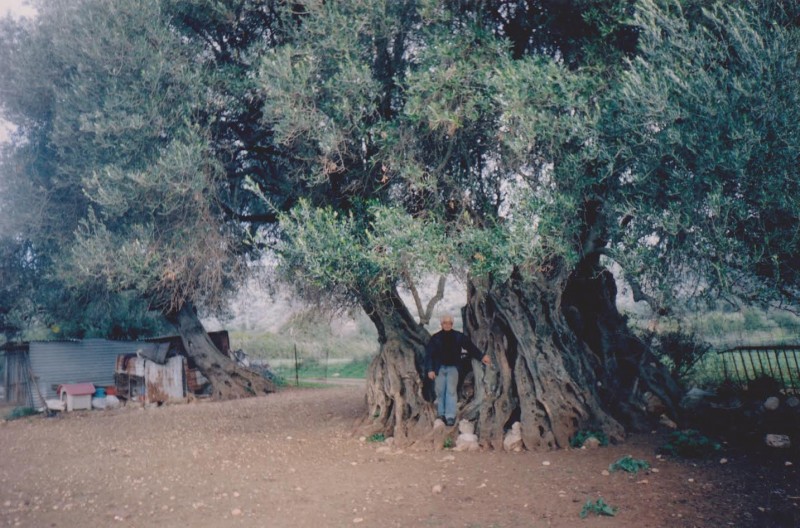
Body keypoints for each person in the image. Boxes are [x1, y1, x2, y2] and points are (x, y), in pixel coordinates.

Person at [424, 314, 491, 426]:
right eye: (445, 323)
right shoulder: (435, 338)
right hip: (438, 369)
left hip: (453, 368)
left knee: (451, 391)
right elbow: (429, 355)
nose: (447, 325)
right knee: (440, 392)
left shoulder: (458, 336)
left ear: (452, 324)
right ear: (441, 324)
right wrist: (430, 369)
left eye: (449, 323)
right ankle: (441, 414)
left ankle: (450, 416)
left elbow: (470, 347)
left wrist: (481, 356)